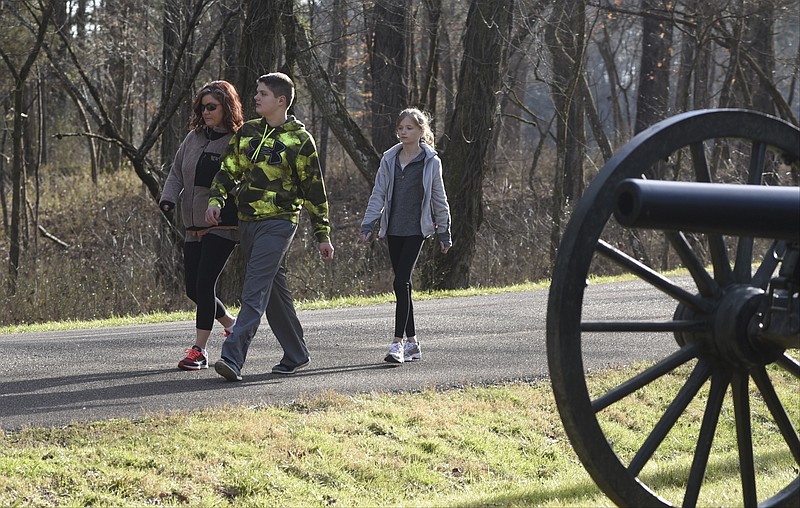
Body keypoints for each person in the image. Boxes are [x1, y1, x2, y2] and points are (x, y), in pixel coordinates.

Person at [206, 72, 334, 382]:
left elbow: (314, 190)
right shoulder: (249, 131)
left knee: (254, 289)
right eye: (257, 92)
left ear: (281, 100)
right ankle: (296, 353)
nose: (256, 97)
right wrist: (216, 199)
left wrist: (322, 233)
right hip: (247, 221)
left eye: (262, 93)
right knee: (274, 290)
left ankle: (232, 357)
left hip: (279, 223)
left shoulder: (300, 140)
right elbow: (229, 169)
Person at [159, 80, 245, 371]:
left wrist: (220, 203)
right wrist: (168, 199)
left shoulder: (236, 140)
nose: (206, 112)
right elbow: (176, 173)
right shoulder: (193, 138)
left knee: (206, 283)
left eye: (212, 107)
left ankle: (199, 350)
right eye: (202, 107)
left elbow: (239, 180)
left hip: (222, 224)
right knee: (193, 289)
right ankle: (231, 323)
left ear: (226, 107)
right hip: (192, 223)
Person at [359, 108, 452, 364]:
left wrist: (444, 231)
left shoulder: (431, 161)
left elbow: (438, 198)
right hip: (393, 230)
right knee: (404, 286)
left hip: (416, 230)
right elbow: (378, 192)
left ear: (421, 131)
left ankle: (397, 344)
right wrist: (369, 224)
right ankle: (413, 343)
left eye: (409, 128)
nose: (403, 132)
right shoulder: (389, 159)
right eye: (400, 128)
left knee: (400, 282)